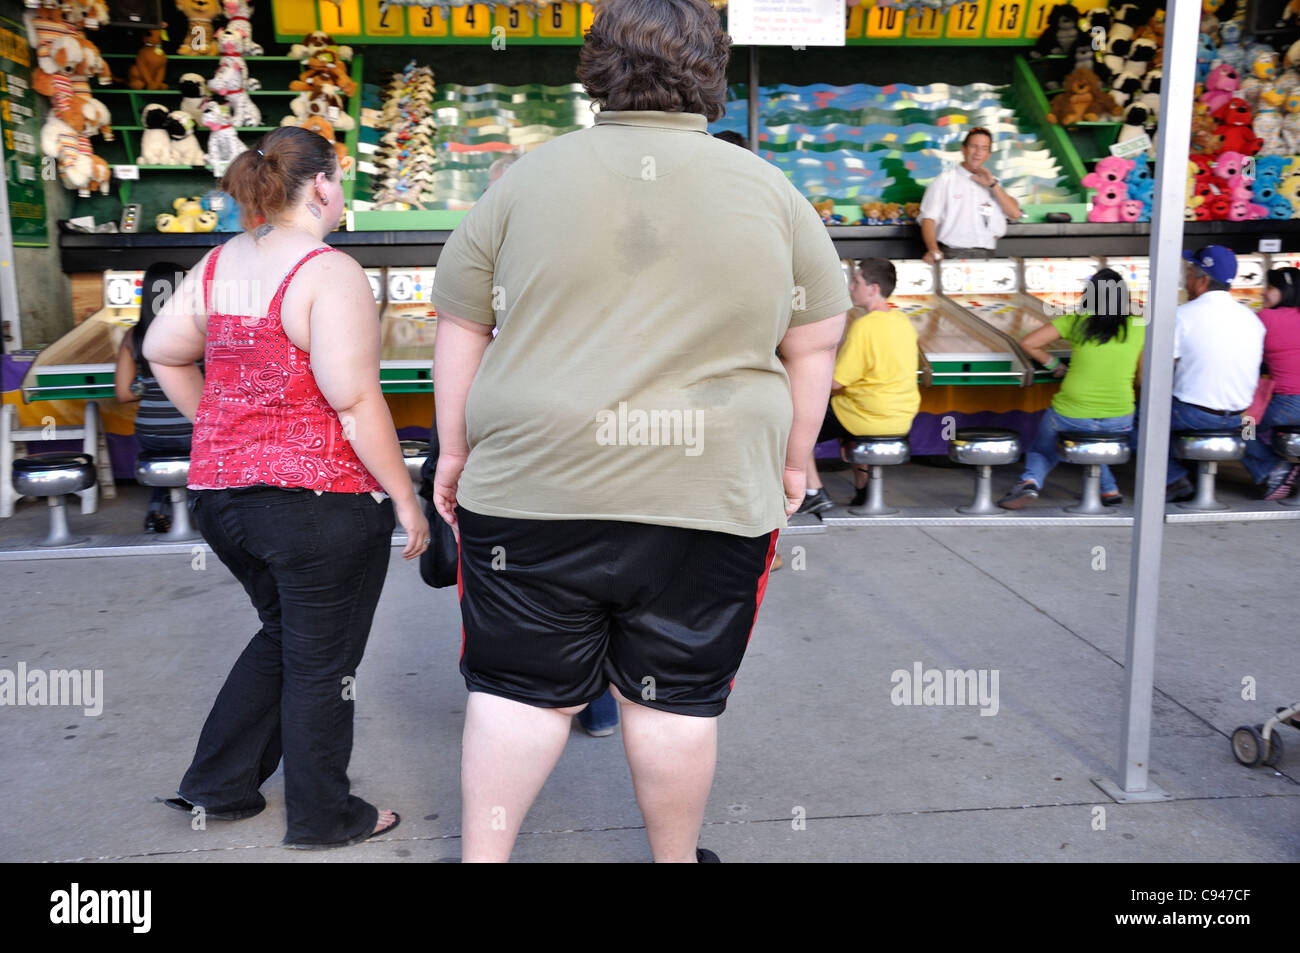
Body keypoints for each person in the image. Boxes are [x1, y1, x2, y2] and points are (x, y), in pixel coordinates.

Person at [428, 0, 849, 863]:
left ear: (595, 71)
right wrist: (798, 454)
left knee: (518, 691)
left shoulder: (523, 182)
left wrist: (459, 451)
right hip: (711, 486)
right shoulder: (771, 190)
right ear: (711, 74)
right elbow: (815, 338)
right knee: (676, 698)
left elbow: (462, 326)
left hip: (533, 482)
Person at [144, 126, 429, 849]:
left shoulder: (218, 262)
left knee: (290, 638)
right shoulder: (328, 272)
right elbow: (356, 399)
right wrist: (404, 495)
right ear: (324, 185)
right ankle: (324, 814)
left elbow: (161, 351)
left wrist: (220, 426)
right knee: (324, 663)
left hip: (222, 499)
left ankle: (219, 784)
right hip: (317, 507)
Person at [998, 268, 1145, 508]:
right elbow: (1141, 378)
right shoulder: (1138, 327)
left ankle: (1030, 482)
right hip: (1119, 418)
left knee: (1043, 449)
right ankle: (1109, 491)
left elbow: (1029, 343)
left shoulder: (1076, 322)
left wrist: (1055, 365)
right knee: (1097, 442)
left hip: (1072, 412)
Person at [801, 258, 920, 513]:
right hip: (901, 416)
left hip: (869, 415)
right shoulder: (903, 321)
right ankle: (864, 489)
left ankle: (813, 493)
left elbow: (835, 382)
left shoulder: (865, 326)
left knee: (796, 423)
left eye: (856, 282)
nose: (851, 288)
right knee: (841, 411)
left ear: (873, 289)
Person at [1162, 246, 1264, 503]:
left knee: (1136, 418)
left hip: (1193, 416)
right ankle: (1270, 470)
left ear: (1202, 280)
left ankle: (1174, 479)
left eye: (1188, 272)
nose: (1185, 278)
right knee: (1242, 429)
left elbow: (1161, 368)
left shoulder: (1183, 316)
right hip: (1239, 417)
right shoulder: (1252, 319)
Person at [113, 261, 193, 533]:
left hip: (151, 431)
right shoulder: (201, 332)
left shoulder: (132, 336)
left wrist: (152, 387)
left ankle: (158, 511)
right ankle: (209, 511)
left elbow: (123, 394)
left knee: (166, 455)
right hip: (191, 426)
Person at [919, 126, 1022, 264]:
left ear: (988, 155)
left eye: (984, 148)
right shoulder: (945, 180)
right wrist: (933, 249)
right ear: (963, 149)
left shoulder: (994, 183)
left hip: (988, 254)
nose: (978, 153)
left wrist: (993, 185)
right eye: (974, 146)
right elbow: (928, 219)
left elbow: (1014, 213)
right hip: (953, 253)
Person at [1241, 267, 1300, 500]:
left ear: (1285, 291)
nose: (1263, 293)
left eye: (1270, 288)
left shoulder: (1265, 318)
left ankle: (1273, 470)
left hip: (1289, 405)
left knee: (1241, 427)